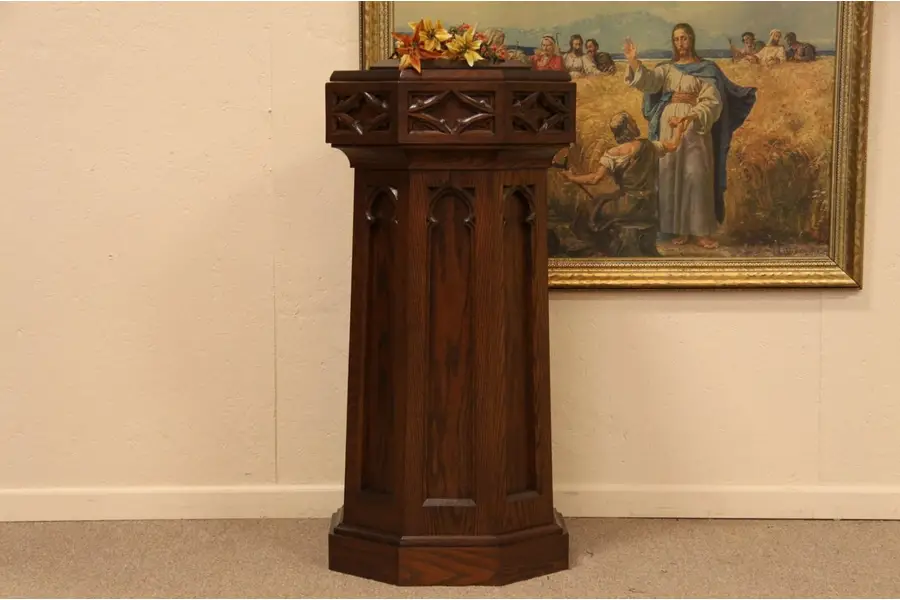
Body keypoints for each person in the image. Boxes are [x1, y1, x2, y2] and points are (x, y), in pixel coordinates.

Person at [623, 23, 756, 249]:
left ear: (691, 40)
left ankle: (701, 232)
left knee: (696, 175)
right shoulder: (667, 69)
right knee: (672, 175)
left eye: (684, 38)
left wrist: (691, 116)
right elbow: (649, 81)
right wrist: (633, 61)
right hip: (669, 125)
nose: (680, 43)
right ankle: (681, 229)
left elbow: (713, 101)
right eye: (676, 39)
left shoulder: (707, 69)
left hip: (694, 128)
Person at [561, 112, 688, 231]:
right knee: (601, 202)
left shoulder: (613, 153)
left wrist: (572, 177)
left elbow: (595, 179)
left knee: (587, 209)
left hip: (628, 207)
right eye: (633, 121)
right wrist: (679, 127)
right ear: (628, 127)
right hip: (649, 206)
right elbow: (673, 145)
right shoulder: (650, 146)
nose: (636, 123)